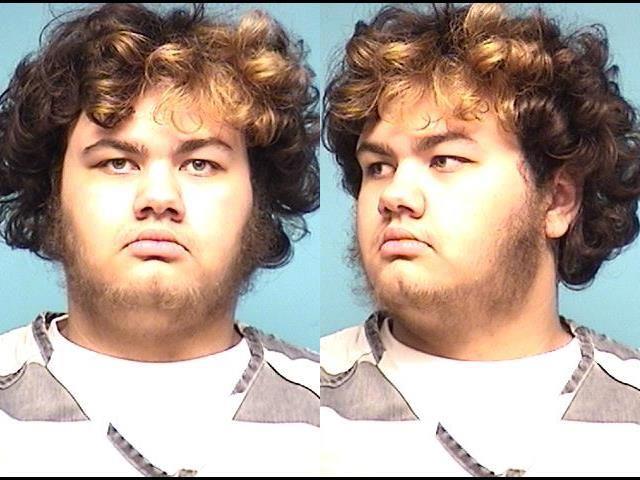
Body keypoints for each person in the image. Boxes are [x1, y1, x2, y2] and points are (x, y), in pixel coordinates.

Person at [0, 3, 319, 476]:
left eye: (200, 164)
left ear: (259, 196)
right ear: (53, 192)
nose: (159, 198)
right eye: (117, 162)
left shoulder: (331, 413)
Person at [321, 3, 640, 476]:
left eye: (445, 160)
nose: (395, 195)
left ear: (557, 201)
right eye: (378, 167)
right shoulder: (305, 399)